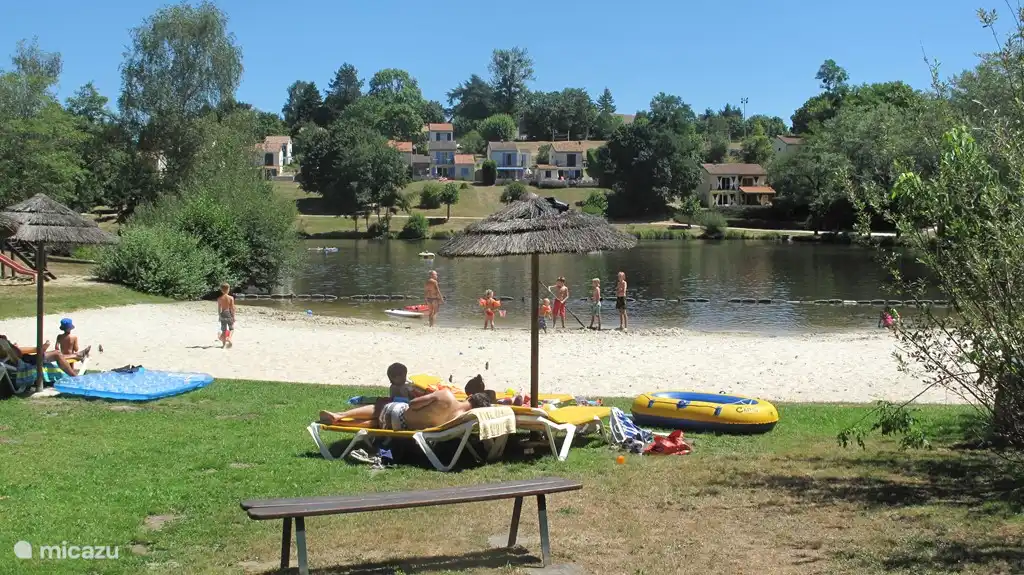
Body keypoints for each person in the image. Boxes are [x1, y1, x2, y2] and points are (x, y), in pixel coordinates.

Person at [319, 388, 492, 430]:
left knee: (379, 409)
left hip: (397, 412)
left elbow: (413, 404)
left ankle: (340, 415)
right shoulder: (460, 420)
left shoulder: (446, 395)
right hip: (401, 427)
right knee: (375, 424)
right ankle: (341, 424)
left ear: (470, 397)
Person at [0, 335, 80, 377]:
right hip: (24, 362)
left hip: (23, 359)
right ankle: (75, 377)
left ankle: (77, 356)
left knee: (54, 353)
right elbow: (18, 354)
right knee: (57, 354)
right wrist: (9, 343)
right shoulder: (2, 341)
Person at [217, 283, 235, 348]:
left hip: (222, 314)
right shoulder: (231, 298)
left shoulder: (219, 299)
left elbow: (219, 309)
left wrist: (219, 316)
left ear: (221, 290)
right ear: (228, 289)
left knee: (224, 330)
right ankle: (229, 338)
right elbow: (232, 308)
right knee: (231, 328)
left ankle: (223, 345)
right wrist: (233, 316)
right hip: (228, 313)